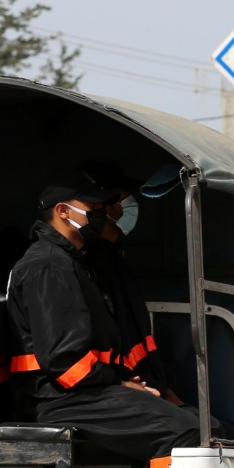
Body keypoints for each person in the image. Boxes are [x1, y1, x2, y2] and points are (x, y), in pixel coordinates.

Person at [5, 171, 199, 468]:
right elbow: (64, 361)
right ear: (63, 212)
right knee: (183, 432)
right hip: (57, 398)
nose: (101, 214)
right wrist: (120, 384)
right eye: (93, 207)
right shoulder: (47, 265)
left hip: (83, 390)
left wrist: (125, 381)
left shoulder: (72, 261)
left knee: (206, 426)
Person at [78, 160, 181, 403]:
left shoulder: (114, 259)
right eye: (122, 199)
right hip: (124, 391)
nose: (126, 208)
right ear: (99, 206)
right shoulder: (91, 265)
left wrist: (166, 390)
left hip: (148, 388)